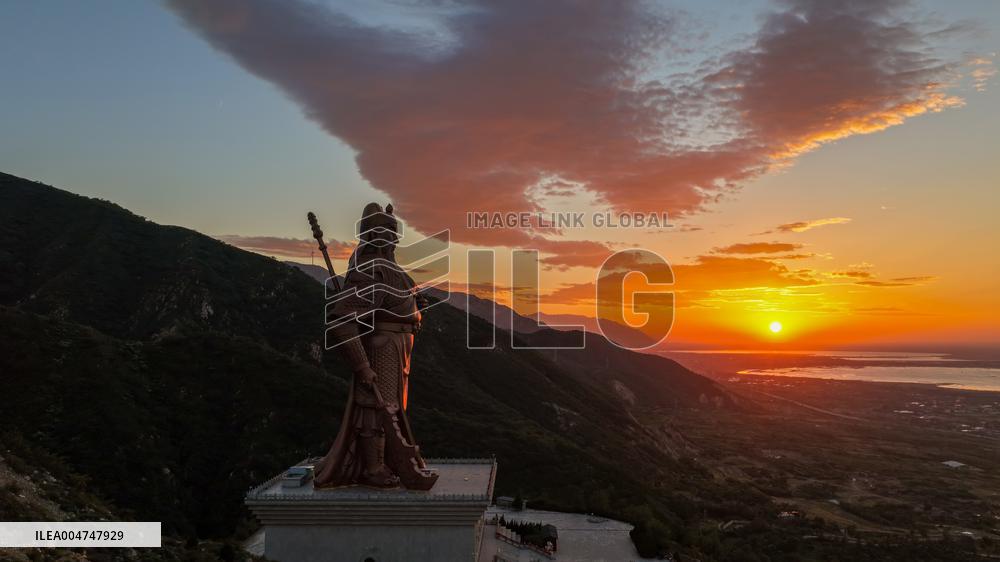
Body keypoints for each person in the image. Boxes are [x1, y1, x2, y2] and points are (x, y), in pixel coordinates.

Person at [313, 202, 437, 490]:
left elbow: (394, 302)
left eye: (393, 233)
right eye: (387, 233)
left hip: (400, 345)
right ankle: (373, 467)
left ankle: (388, 461)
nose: (392, 239)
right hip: (382, 345)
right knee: (377, 407)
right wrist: (362, 365)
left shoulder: (391, 270)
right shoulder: (369, 271)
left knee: (393, 408)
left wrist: (415, 307)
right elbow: (342, 321)